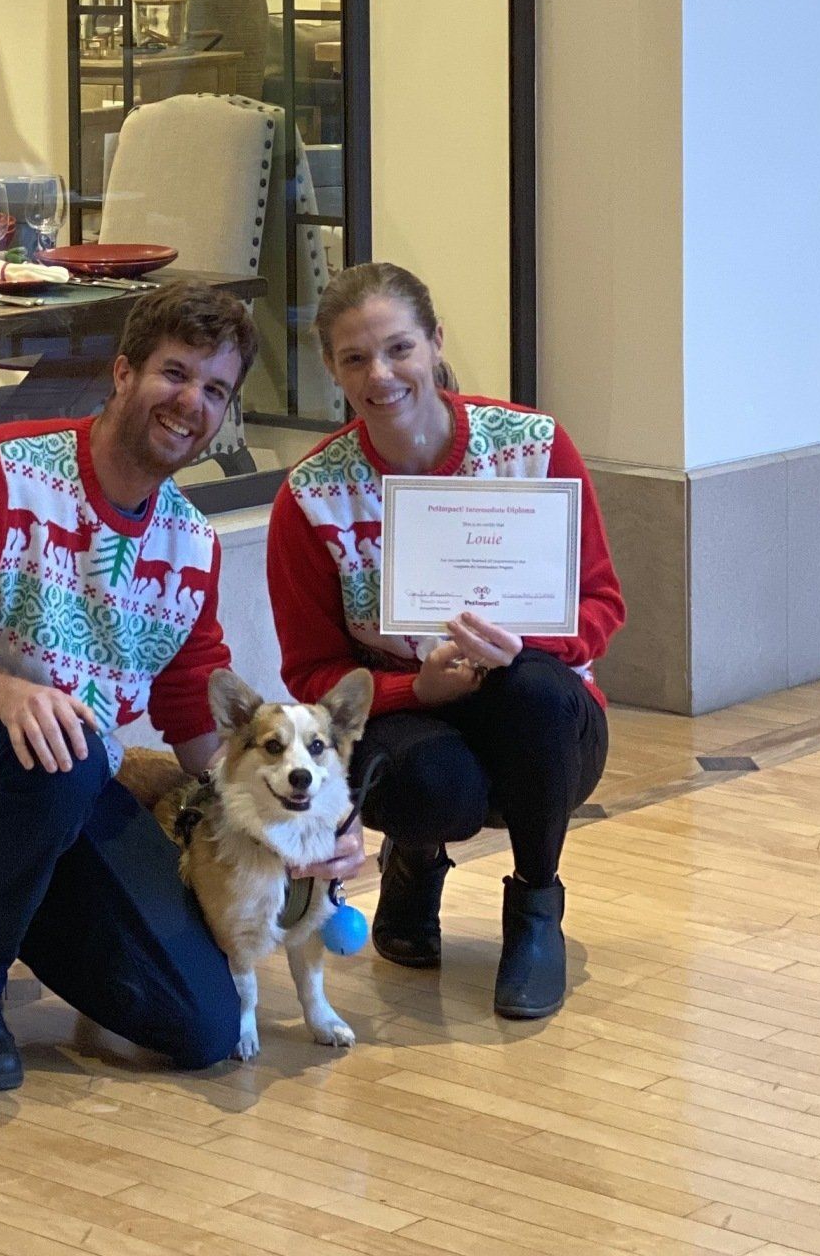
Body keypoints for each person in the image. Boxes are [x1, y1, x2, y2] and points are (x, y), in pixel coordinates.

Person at [0, 281, 353, 1089]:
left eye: (214, 389)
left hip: (67, 788)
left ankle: (36, 905)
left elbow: (197, 728)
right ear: (122, 375)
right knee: (70, 750)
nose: (191, 403)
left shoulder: (191, 543)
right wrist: (10, 695)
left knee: (204, 1028)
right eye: (174, 374)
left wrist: (306, 822)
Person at [267, 260, 623, 1020]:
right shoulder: (310, 497)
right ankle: (415, 861)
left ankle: (535, 912)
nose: (381, 374)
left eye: (399, 348)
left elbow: (601, 604)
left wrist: (525, 645)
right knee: (436, 786)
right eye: (355, 358)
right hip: (408, 722)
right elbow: (311, 673)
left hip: (545, 719)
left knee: (530, 689)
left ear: (434, 342)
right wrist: (412, 688)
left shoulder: (531, 446)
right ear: (332, 368)